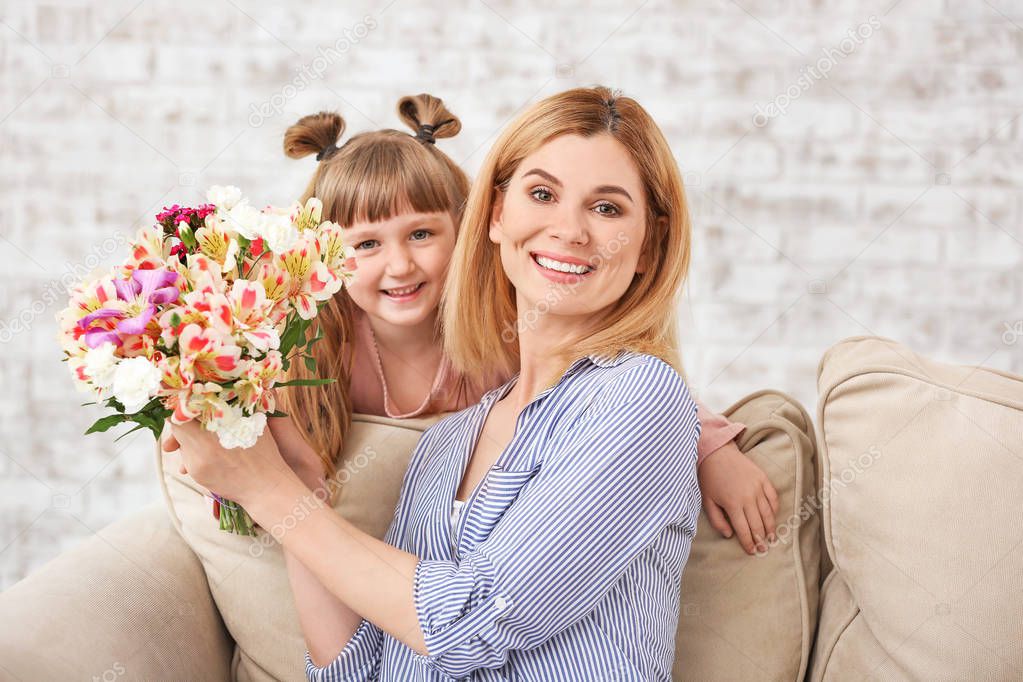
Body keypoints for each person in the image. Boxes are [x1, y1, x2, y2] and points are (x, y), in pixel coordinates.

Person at [166, 87, 776, 680]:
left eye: (607, 207)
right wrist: (299, 486)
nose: (570, 230)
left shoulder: (638, 396)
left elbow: (474, 619)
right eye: (542, 194)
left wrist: (273, 496)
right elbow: (355, 673)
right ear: (494, 217)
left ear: (648, 248)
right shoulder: (445, 445)